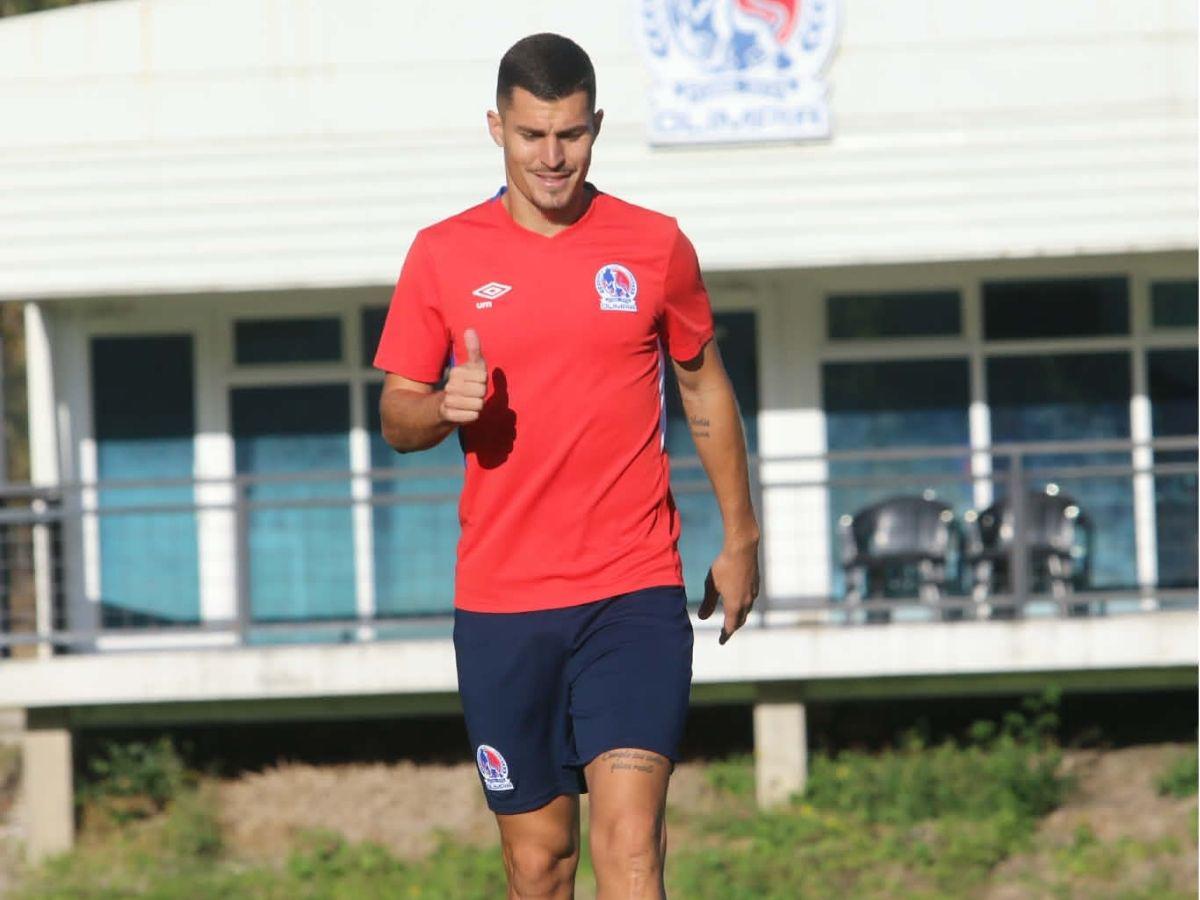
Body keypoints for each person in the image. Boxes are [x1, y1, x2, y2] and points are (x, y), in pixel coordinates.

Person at [374, 32, 759, 900]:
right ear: (496, 129)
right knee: (540, 864)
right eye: (532, 135)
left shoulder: (655, 245)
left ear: (597, 128)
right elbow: (397, 413)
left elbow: (704, 392)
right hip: (504, 602)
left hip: (633, 589)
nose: (553, 157)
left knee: (630, 853)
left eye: (573, 135)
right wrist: (440, 407)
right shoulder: (441, 254)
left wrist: (742, 536)